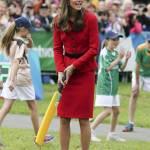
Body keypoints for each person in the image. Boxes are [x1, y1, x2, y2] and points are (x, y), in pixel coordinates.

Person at [53, 0, 99, 149]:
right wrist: (60, 70)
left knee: (83, 119)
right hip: (66, 72)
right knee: (64, 118)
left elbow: (93, 49)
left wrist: (73, 66)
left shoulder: (90, 18)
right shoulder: (58, 20)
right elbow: (57, 48)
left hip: (85, 72)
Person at [0, 16, 53, 144]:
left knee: (6, 107)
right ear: (22, 29)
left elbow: (28, 47)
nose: (30, 31)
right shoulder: (20, 43)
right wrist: (13, 80)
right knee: (33, 107)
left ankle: (40, 136)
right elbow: (16, 62)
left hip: (12, 78)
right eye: (29, 29)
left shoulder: (11, 41)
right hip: (22, 78)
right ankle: (40, 136)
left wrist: (11, 80)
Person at [91, 31, 131, 142]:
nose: (116, 42)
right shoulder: (104, 52)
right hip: (105, 85)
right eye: (114, 39)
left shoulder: (114, 53)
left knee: (116, 111)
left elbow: (121, 68)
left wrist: (126, 59)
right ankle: (90, 131)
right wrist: (119, 58)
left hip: (113, 87)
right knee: (108, 111)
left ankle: (112, 134)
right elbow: (108, 67)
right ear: (108, 40)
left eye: (117, 39)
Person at [123, 35, 150, 132]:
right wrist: (137, 84)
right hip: (140, 73)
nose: (149, 44)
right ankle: (130, 123)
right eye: (148, 42)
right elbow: (137, 67)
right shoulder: (140, 48)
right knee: (134, 94)